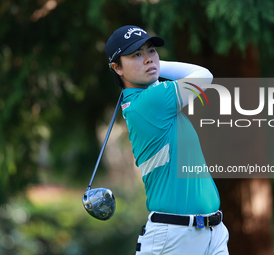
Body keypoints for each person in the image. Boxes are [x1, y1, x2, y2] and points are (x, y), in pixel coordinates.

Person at [105, 25, 229, 255]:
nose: (148, 60)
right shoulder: (151, 101)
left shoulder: (151, 98)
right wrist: (158, 67)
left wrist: (152, 66)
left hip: (212, 233)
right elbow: (204, 76)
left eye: (151, 51)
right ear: (116, 68)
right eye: (136, 55)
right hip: (175, 239)